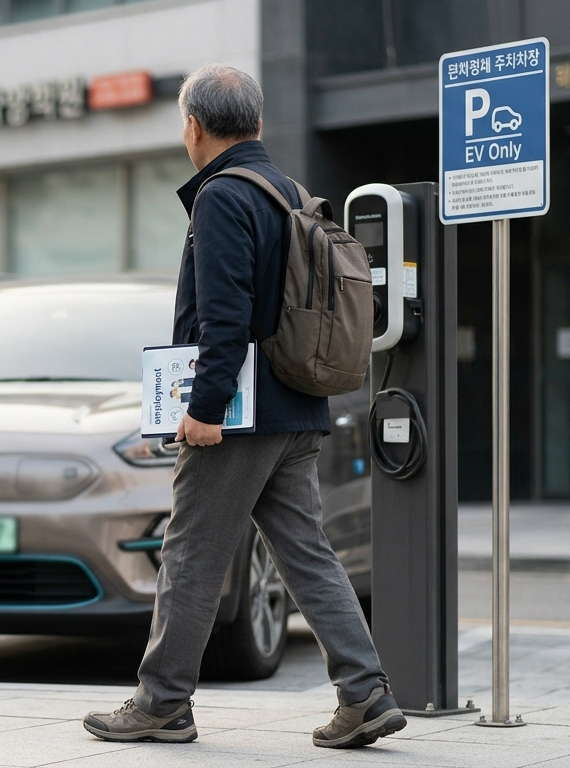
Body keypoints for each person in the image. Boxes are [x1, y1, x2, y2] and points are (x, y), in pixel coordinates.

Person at [82, 64, 406, 750]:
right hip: (296, 407)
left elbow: (224, 319)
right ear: (257, 124)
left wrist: (204, 406)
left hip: (241, 415)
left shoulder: (223, 196)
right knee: (307, 554)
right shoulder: (288, 191)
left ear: (193, 127)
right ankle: (366, 692)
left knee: (191, 552)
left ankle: (163, 701)